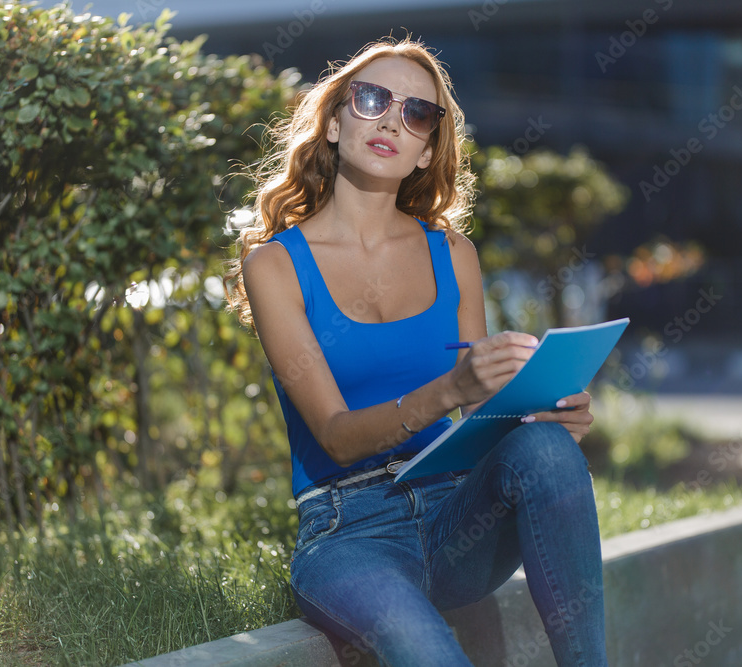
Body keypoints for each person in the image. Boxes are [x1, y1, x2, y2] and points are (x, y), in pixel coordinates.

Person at [223, 36, 608, 667]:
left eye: (417, 113)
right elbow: (336, 436)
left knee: (545, 448)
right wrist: (450, 388)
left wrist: (544, 416)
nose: (390, 122)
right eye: (372, 99)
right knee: (431, 655)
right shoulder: (275, 265)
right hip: (349, 532)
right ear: (335, 121)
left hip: (458, 517)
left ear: (427, 148)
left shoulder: (453, 254)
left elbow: (481, 419)